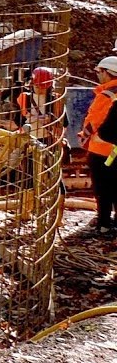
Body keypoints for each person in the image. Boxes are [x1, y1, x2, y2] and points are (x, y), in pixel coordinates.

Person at [78, 56, 117, 237]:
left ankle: (104, 225)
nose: (98, 75)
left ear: (107, 73)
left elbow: (95, 121)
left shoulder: (107, 95)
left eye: (99, 72)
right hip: (114, 151)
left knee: (103, 188)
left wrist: (84, 137)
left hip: (101, 151)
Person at [15, 66, 54, 141]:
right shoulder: (24, 98)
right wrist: (30, 120)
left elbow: (64, 123)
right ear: (32, 83)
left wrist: (50, 119)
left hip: (48, 139)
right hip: (28, 138)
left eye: (44, 88)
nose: (41, 90)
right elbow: (17, 120)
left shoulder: (54, 100)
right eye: (38, 87)